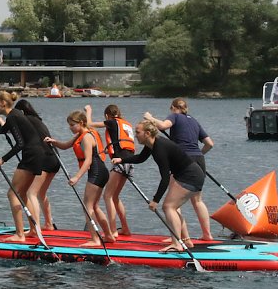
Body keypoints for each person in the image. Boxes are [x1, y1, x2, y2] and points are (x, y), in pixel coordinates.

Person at [112, 120, 206, 252]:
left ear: (148, 133)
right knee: (173, 207)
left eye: (137, 132)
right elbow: (141, 158)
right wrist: (122, 159)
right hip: (188, 174)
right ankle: (186, 241)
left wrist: (155, 200)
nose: (135, 135)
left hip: (190, 176)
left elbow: (165, 178)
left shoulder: (159, 148)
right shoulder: (152, 144)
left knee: (168, 207)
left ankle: (177, 244)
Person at [0, 91, 45, 242]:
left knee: (13, 194)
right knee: (22, 194)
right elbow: (4, 130)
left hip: (31, 155)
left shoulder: (13, 116)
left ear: (3, 103)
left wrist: (2, 159)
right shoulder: (15, 114)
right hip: (37, 153)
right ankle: (33, 229)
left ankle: (19, 235)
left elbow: (20, 143)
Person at [144, 98, 215, 241]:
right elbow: (209, 144)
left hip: (183, 162)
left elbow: (163, 126)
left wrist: (150, 118)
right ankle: (207, 234)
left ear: (173, 107)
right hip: (199, 159)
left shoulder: (175, 116)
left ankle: (177, 236)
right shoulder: (194, 121)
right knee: (198, 201)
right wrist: (199, 154)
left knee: (173, 201)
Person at [45, 106, 114, 246]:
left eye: (72, 125)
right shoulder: (82, 134)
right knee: (94, 206)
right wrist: (53, 141)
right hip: (101, 172)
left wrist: (76, 177)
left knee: (87, 206)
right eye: (69, 125)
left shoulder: (87, 137)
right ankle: (108, 235)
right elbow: (65, 145)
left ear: (81, 123)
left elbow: (88, 160)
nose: (70, 127)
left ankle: (95, 239)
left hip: (96, 172)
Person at [2, 99, 60, 230]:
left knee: (30, 193)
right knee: (41, 194)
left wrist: (3, 125)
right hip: (54, 159)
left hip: (44, 159)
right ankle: (49, 224)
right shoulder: (37, 119)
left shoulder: (27, 119)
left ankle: (36, 228)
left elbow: (19, 132)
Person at [89, 104, 136, 237]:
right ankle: (125, 229)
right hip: (129, 162)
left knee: (107, 196)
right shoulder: (125, 123)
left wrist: (89, 111)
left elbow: (89, 124)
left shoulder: (111, 122)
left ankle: (113, 230)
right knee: (114, 196)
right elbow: (118, 142)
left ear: (106, 115)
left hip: (120, 162)